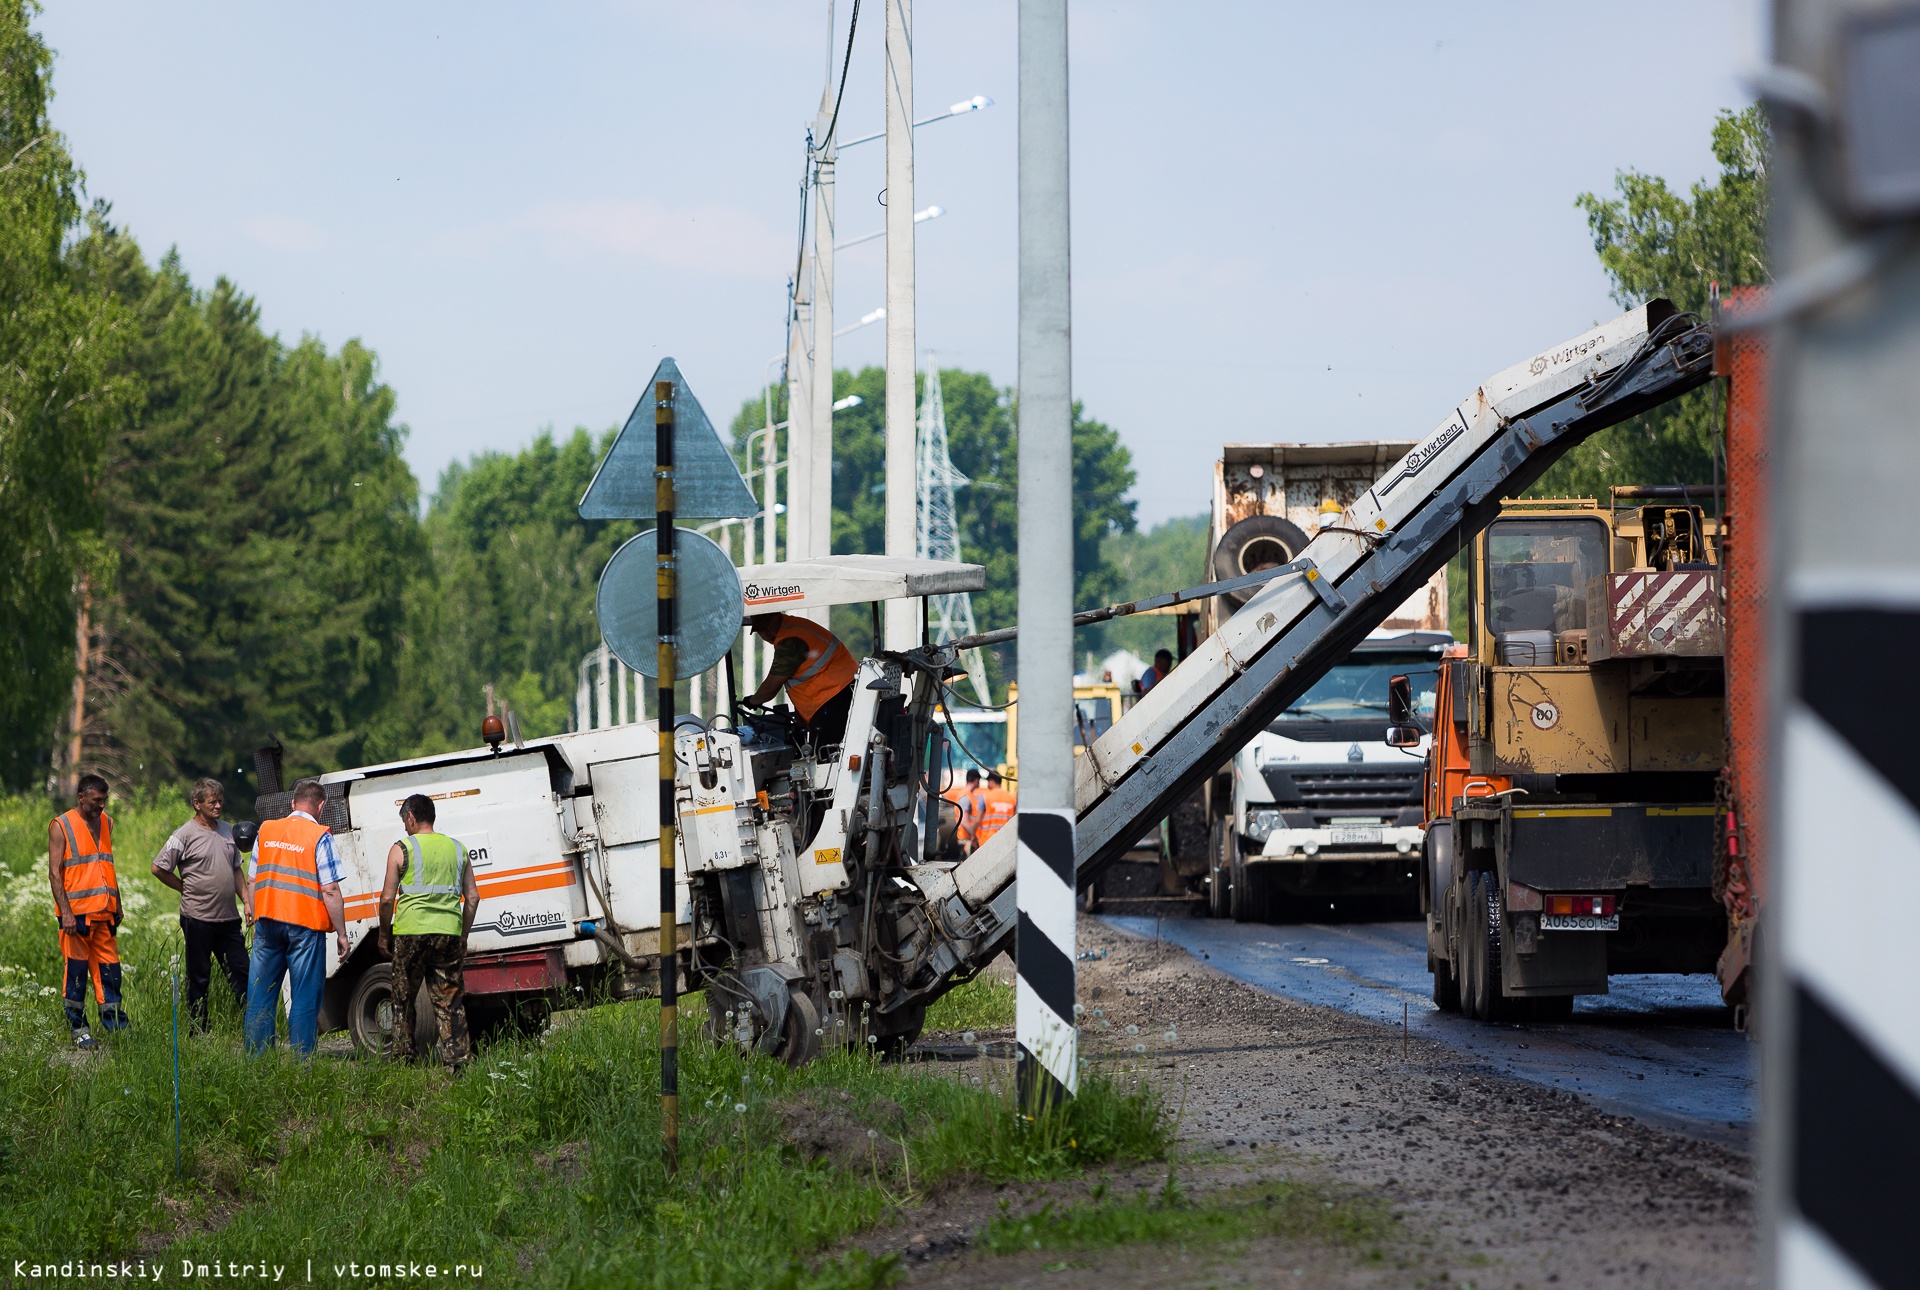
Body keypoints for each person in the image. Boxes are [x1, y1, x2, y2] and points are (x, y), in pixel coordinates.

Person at [245, 778, 350, 1057]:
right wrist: (341, 933)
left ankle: (257, 1063)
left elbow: (253, 879)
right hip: (305, 929)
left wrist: (255, 916)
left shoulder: (267, 829)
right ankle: (302, 1064)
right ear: (321, 806)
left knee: (260, 995)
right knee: (304, 997)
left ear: (292, 803)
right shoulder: (319, 835)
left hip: (267, 924)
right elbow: (329, 889)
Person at [378, 793, 479, 1071]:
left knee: (403, 998)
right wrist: (463, 935)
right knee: (450, 999)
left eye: (404, 821)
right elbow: (473, 897)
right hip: (447, 933)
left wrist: (384, 935)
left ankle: (404, 1062)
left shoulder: (402, 848)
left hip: (411, 933)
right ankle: (457, 1062)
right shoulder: (458, 849)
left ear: (411, 817)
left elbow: (387, 900)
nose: (405, 827)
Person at [151, 778, 250, 1031]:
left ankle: (253, 1026)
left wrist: (247, 902)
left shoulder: (228, 830)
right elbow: (158, 868)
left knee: (241, 972)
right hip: (198, 918)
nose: (218, 806)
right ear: (197, 804)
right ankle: (198, 1029)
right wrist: (183, 887)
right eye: (212, 802)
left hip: (228, 918)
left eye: (220, 801)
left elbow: (236, 869)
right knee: (199, 976)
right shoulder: (184, 834)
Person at [49, 774, 126, 1049]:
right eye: (96, 800)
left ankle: (117, 1029)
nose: (101, 806)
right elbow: (54, 873)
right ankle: (78, 1030)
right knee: (77, 976)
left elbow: (107, 864)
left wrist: (118, 903)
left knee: (110, 974)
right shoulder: (61, 825)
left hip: (105, 913)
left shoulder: (106, 822)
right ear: (81, 797)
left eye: (104, 800)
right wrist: (66, 913)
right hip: (76, 917)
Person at [745, 612, 859, 748]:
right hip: (842, 690)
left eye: (767, 627)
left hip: (833, 695)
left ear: (776, 616)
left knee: (825, 754)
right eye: (760, 631)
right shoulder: (794, 627)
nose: (766, 635)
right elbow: (801, 683)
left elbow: (770, 688)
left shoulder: (790, 641)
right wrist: (800, 725)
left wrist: (753, 701)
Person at [974, 770, 1016, 846]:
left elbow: (977, 819)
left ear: (992, 781)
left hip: (987, 840)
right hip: (1006, 839)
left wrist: (972, 835)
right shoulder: (1012, 797)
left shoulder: (985, 797)